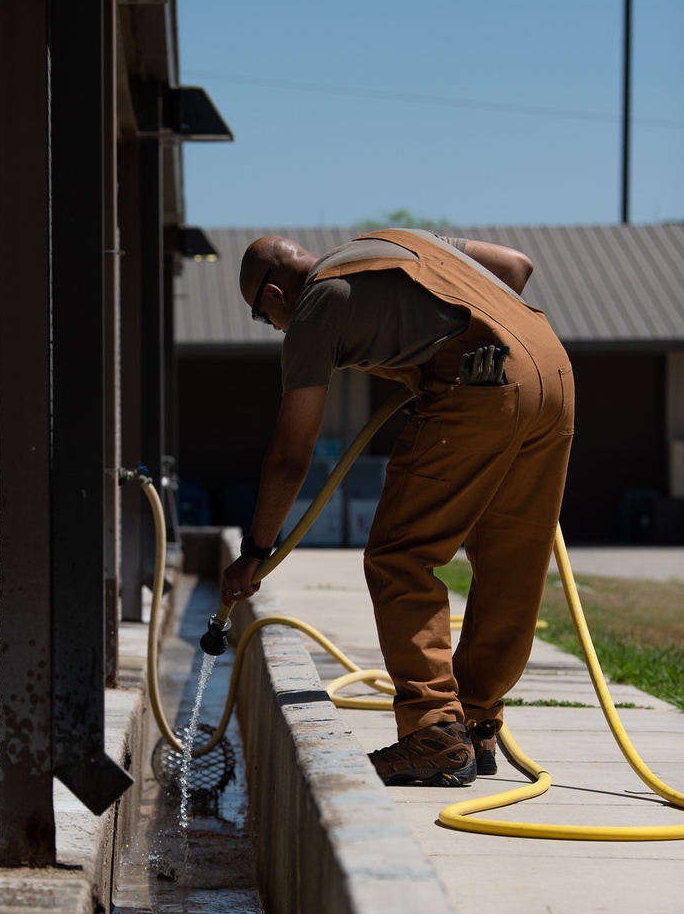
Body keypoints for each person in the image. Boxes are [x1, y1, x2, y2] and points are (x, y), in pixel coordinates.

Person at [221, 227, 574, 786]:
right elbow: (515, 266)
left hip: (477, 385)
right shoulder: (397, 244)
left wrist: (255, 552)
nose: (278, 328)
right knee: (512, 560)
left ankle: (435, 731)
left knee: (399, 555)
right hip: (554, 373)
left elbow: (291, 456)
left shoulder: (314, 307)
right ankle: (477, 719)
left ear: (274, 294)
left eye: (266, 319)